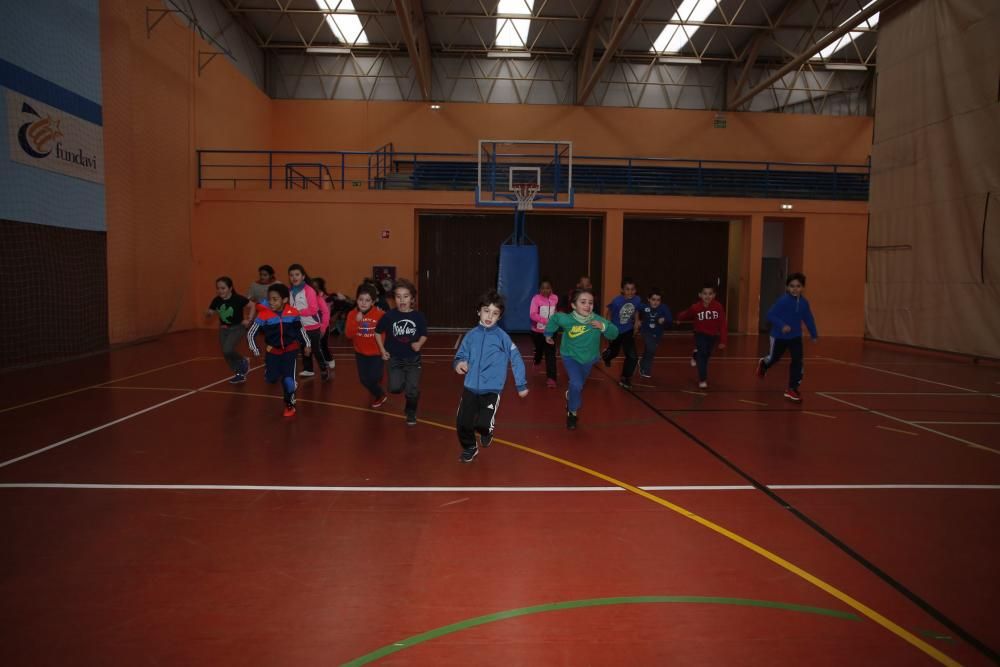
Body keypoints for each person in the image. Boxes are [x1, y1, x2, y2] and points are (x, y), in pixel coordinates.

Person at [453, 291, 529, 463]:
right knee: (463, 423)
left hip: (492, 389)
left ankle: (487, 431)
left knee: (482, 424)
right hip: (470, 387)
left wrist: (521, 384)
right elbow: (460, 355)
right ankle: (470, 447)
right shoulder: (471, 336)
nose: (489, 316)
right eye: (486, 310)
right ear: (478, 311)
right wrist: (459, 364)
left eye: (495, 313)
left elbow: (515, 357)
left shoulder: (502, 337)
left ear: (499, 317)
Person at [544, 288, 619, 430]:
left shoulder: (596, 320)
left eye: (590, 302)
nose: (587, 305)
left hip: (588, 359)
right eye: (583, 302)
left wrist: (603, 327)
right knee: (577, 384)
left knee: (577, 386)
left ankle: (571, 395)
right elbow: (555, 318)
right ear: (573, 305)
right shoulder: (566, 319)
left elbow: (614, 333)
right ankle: (572, 412)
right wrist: (548, 333)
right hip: (570, 356)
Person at [246, 283, 311, 417]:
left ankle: (290, 404)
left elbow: (300, 330)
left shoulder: (293, 313)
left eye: (275, 299)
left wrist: (307, 344)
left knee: (288, 380)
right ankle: (275, 375)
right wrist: (255, 349)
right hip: (273, 352)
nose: (271, 302)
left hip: (290, 350)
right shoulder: (264, 315)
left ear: (285, 300)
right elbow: (250, 333)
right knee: (271, 378)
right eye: (269, 299)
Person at [756, 272, 818, 402]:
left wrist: (813, 333)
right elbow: (770, 315)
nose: (795, 289)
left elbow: (808, 318)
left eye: (798, 286)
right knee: (774, 358)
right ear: (787, 287)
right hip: (779, 336)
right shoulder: (783, 301)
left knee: (797, 361)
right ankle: (764, 364)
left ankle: (792, 388)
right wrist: (782, 325)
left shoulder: (804, 303)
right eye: (792, 286)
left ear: (803, 287)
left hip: (795, 337)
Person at [375, 279, 428, 425]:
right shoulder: (389, 316)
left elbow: (424, 334)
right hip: (395, 359)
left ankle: (411, 411)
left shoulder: (418, 317)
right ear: (394, 299)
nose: (402, 300)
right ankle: (409, 386)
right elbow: (377, 332)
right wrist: (382, 350)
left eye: (405, 296)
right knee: (394, 388)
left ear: (412, 299)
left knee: (412, 389)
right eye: (398, 296)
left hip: (413, 359)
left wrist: (419, 343)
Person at [677, 282, 728, 390]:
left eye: (710, 294)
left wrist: (723, 340)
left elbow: (723, 324)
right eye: (705, 294)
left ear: (714, 295)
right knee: (703, 356)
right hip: (700, 334)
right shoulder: (696, 307)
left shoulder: (718, 307)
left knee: (706, 354)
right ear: (700, 295)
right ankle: (702, 379)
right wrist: (679, 318)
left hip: (712, 336)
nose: (707, 296)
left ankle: (695, 354)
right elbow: (686, 314)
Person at [345, 283, 388, 408]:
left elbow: (386, 332)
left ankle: (378, 392)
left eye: (367, 300)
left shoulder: (379, 315)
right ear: (357, 300)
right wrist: (356, 322)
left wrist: (385, 349)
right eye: (360, 299)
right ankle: (380, 394)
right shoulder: (352, 315)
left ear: (373, 302)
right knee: (364, 380)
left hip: (376, 353)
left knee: (374, 377)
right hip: (360, 353)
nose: (363, 303)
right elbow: (348, 334)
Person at [287, 264, 330, 381]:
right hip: (300, 326)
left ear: (303, 276)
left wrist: (297, 312)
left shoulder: (309, 290)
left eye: (297, 274)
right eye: (291, 275)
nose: (294, 277)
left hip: (313, 326)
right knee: (304, 348)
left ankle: (323, 368)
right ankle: (308, 369)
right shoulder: (289, 291)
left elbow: (313, 309)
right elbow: (289, 307)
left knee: (315, 349)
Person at [206, 276, 252, 384]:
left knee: (227, 349)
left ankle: (243, 360)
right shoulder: (217, 300)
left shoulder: (238, 299)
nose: (220, 291)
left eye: (223, 288)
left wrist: (249, 319)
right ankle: (239, 374)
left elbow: (252, 305)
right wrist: (208, 313)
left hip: (237, 328)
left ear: (230, 288)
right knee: (226, 353)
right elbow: (211, 311)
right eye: (218, 288)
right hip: (223, 329)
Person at [601, 277, 642, 389]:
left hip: (628, 330)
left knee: (632, 356)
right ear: (622, 290)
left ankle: (625, 377)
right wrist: (608, 328)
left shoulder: (637, 300)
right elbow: (608, 313)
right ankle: (606, 356)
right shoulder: (617, 301)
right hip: (616, 331)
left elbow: (636, 310)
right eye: (627, 289)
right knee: (614, 351)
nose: (630, 292)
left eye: (632, 289)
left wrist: (636, 323)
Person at [528, 279, 559, 388]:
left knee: (550, 354)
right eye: (543, 288)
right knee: (539, 351)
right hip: (537, 332)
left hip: (550, 332)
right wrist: (546, 321)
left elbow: (555, 312)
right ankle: (537, 361)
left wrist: (555, 320)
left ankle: (551, 378)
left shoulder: (555, 298)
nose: (545, 290)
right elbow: (532, 314)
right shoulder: (536, 299)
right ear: (539, 289)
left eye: (548, 288)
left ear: (551, 289)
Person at [638, 287, 672, 379]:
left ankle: (641, 362)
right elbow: (634, 308)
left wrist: (664, 319)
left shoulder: (664, 308)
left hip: (657, 334)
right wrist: (637, 320)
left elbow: (670, 319)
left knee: (649, 350)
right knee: (651, 348)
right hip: (646, 332)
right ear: (648, 299)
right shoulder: (644, 307)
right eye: (653, 299)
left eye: (658, 300)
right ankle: (645, 370)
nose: (655, 302)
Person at [311, 277, 335, 370]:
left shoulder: (326, 298)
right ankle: (320, 362)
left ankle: (329, 359)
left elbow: (326, 312)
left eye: (316, 287)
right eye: (312, 287)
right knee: (314, 345)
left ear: (320, 287)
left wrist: (324, 325)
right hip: (313, 325)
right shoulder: (310, 297)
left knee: (323, 344)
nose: (313, 288)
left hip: (323, 325)